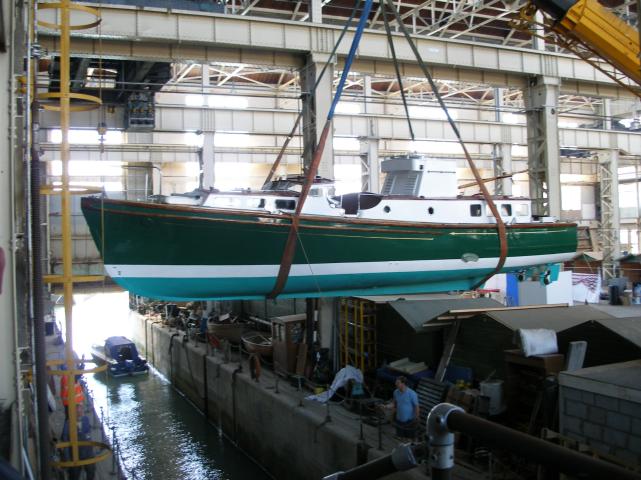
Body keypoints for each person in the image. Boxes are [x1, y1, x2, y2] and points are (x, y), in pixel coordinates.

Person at [61, 404, 96, 480]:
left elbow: (88, 435)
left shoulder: (86, 419)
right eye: (78, 412)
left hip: (87, 453)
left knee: (91, 471)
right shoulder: (68, 423)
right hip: (74, 454)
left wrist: (91, 453)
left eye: (81, 412)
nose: (80, 414)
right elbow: (65, 440)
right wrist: (67, 459)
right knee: (74, 475)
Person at [392, 376, 419, 440]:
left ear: (403, 384)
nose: (396, 384)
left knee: (409, 439)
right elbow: (394, 404)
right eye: (396, 382)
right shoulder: (395, 392)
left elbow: (416, 406)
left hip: (409, 422)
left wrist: (417, 417)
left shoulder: (412, 394)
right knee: (400, 438)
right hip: (399, 421)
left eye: (398, 383)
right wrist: (386, 406)